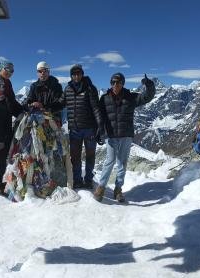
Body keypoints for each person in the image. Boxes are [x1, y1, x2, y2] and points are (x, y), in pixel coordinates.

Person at [93, 73, 156, 202]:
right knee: (109, 161)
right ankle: (101, 186)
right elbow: (100, 116)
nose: (116, 85)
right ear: (110, 83)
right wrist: (99, 131)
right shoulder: (104, 98)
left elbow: (146, 97)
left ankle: (118, 189)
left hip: (126, 135)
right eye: (113, 82)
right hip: (110, 135)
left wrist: (149, 85)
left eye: (118, 82)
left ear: (123, 83)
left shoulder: (131, 97)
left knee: (122, 162)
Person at [63, 64, 103, 189]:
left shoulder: (90, 88)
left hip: (89, 128)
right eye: (74, 74)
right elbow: (61, 103)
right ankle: (77, 179)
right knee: (75, 156)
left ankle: (89, 179)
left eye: (78, 73)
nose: (76, 76)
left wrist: (100, 126)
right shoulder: (68, 89)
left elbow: (96, 108)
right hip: (74, 129)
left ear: (82, 74)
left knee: (90, 155)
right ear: (71, 75)